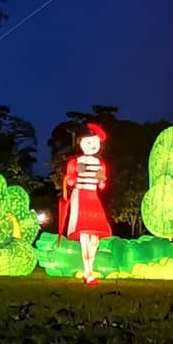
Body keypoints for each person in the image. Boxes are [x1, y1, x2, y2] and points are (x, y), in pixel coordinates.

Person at [60, 122, 111, 286]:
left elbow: (101, 185)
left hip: (93, 197)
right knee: (84, 236)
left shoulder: (100, 164)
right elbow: (70, 181)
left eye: (95, 143)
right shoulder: (75, 161)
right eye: (88, 142)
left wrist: (102, 181)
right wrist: (73, 178)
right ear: (80, 142)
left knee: (95, 237)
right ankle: (87, 271)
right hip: (80, 196)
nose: (92, 146)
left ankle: (90, 269)